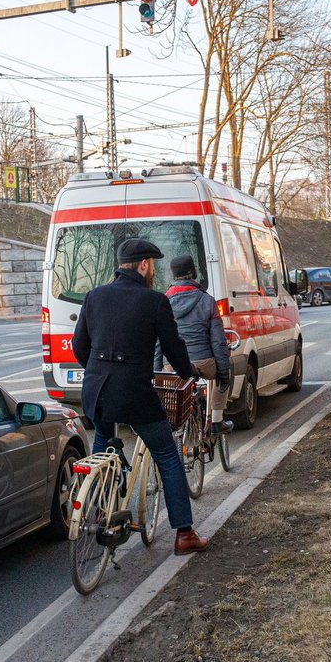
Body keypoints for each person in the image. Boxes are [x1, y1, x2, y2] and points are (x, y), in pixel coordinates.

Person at [72, 238, 210, 555]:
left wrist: (98, 371)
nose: (154, 271)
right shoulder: (154, 301)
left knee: (103, 442)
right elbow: (174, 351)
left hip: (95, 391)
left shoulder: (94, 296)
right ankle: (185, 534)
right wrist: (189, 372)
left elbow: (80, 347)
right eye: (154, 265)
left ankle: (99, 510)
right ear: (144, 265)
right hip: (134, 392)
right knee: (166, 454)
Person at [154, 254, 233, 434]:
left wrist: (157, 374)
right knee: (228, 367)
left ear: (174, 275)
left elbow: (158, 343)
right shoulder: (207, 301)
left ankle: (174, 421)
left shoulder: (162, 302)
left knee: (175, 384)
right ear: (192, 273)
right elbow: (218, 341)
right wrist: (223, 373)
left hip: (171, 365)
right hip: (204, 363)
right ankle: (217, 421)